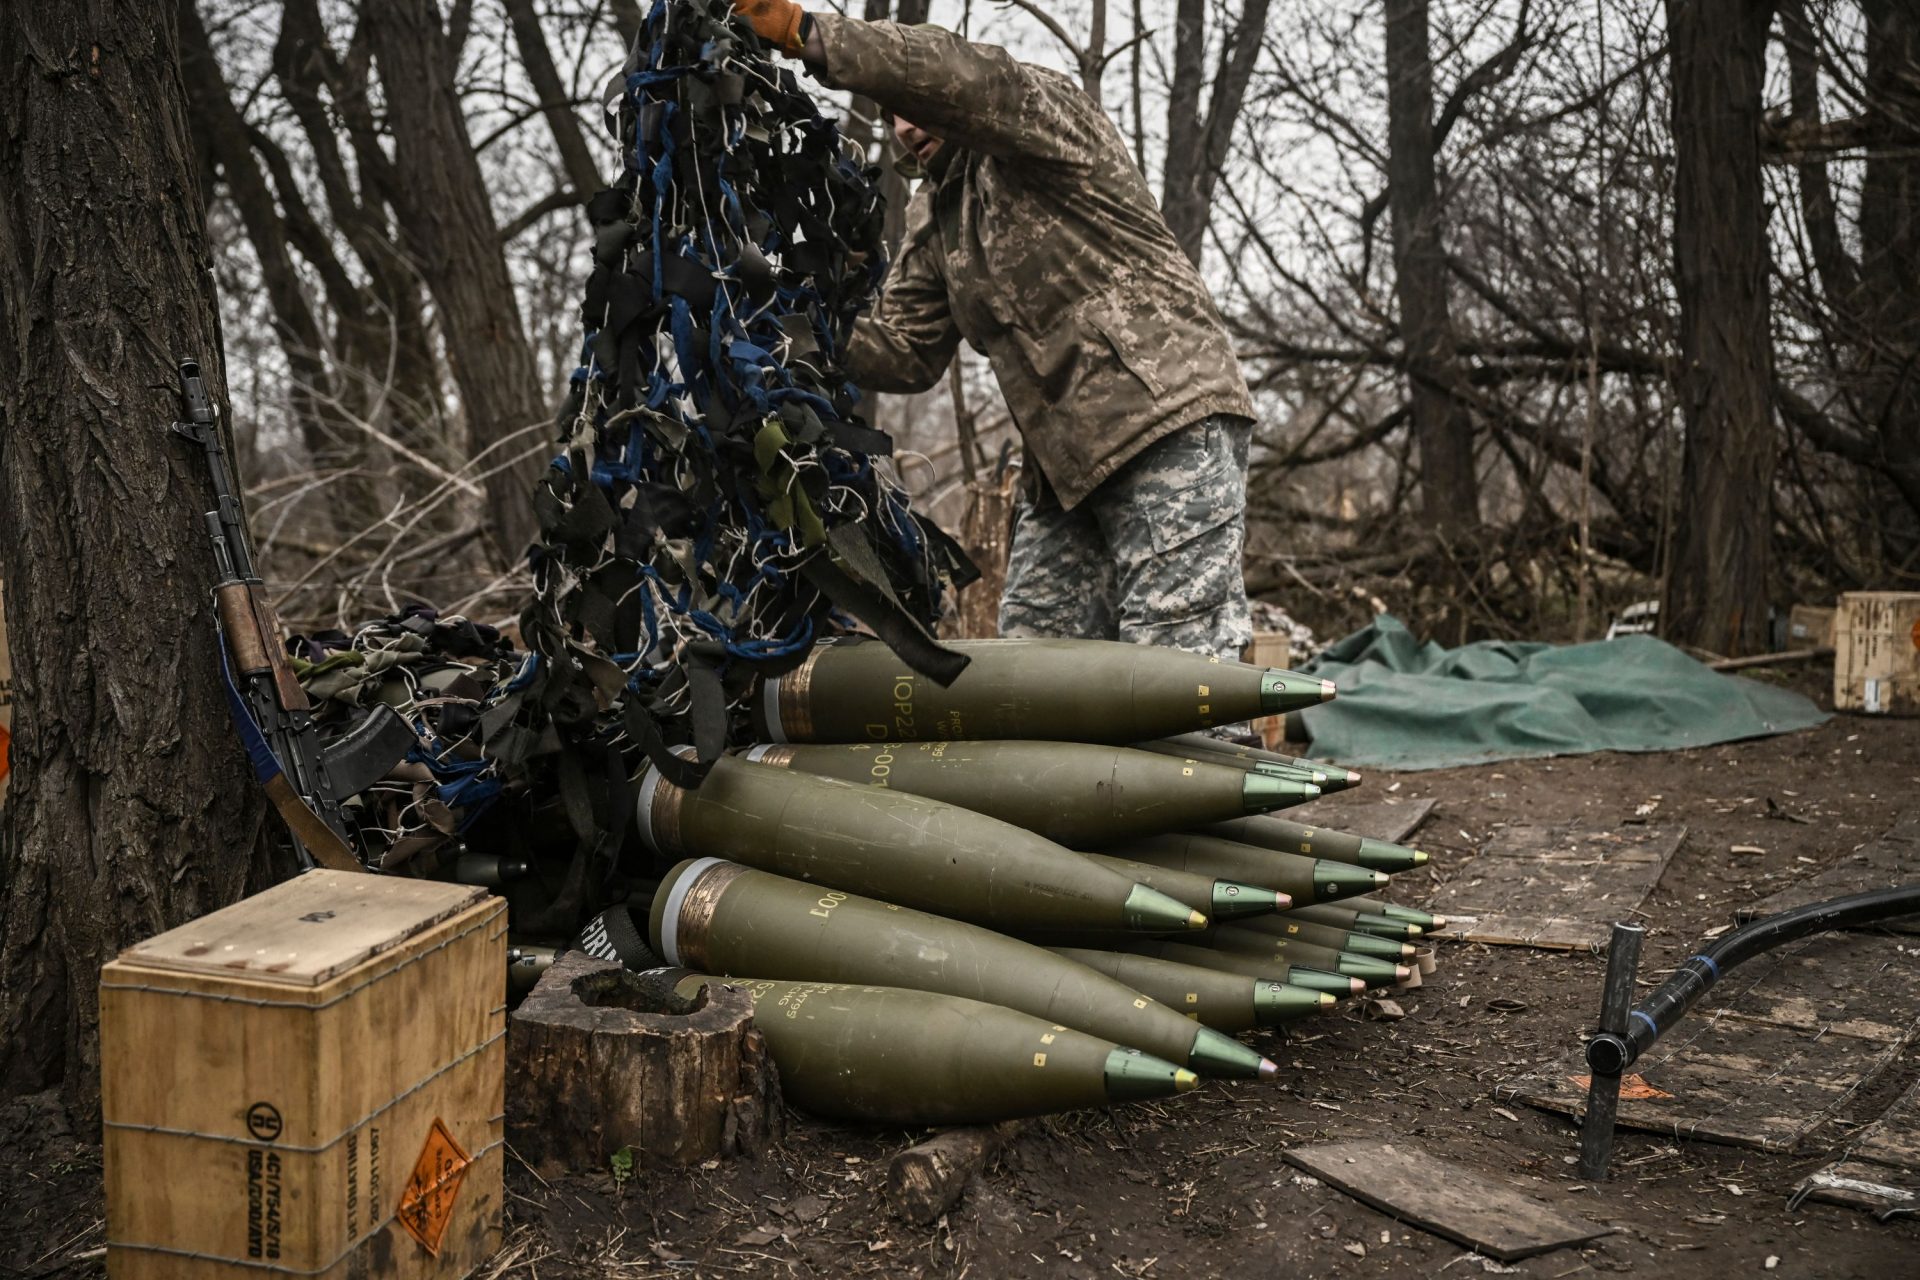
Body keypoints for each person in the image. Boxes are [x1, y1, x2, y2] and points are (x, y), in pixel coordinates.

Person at [735, 2, 1257, 665]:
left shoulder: (1036, 118)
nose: (904, 128)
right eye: (893, 118)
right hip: (1064, 475)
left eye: (909, 105)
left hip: (1165, 421)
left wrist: (806, 33)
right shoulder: (938, 216)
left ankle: (1226, 762)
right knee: (1035, 673)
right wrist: (785, 324)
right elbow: (904, 348)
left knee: (1183, 664)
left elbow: (962, 78)